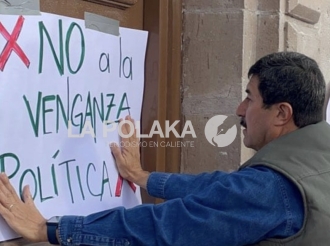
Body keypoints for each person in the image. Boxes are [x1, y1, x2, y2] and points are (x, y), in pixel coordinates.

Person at [0, 51, 329, 246]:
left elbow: (166, 226)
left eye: (250, 97)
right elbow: (221, 190)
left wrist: (50, 229)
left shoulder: (271, 187)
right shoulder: (317, 157)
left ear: (282, 113)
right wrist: (143, 177)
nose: (240, 110)